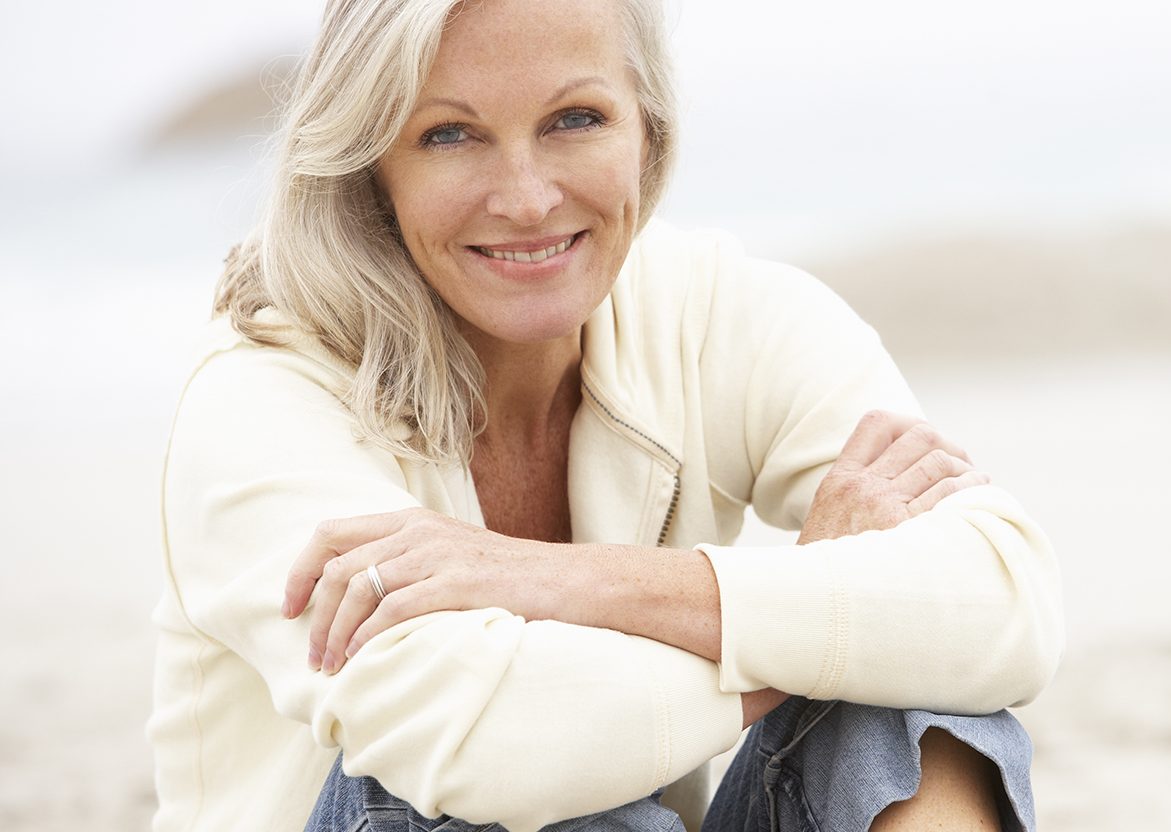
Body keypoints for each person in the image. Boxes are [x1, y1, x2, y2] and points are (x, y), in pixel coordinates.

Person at [148, 0, 1065, 829]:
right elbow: (488, 742)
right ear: (369, 170)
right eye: (449, 135)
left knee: (913, 709)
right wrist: (819, 615)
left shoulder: (715, 314)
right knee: (498, 802)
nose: (527, 197)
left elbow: (1005, 601)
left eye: (575, 119)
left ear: (648, 137)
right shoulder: (260, 396)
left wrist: (554, 580)